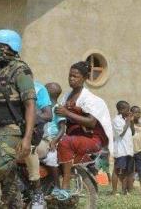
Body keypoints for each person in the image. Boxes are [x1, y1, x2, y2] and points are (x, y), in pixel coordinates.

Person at [0, 29, 37, 208]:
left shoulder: (20, 71)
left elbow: (30, 105)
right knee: (8, 183)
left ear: (11, 48)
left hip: (12, 131)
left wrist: (27, 138)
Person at [55, 61, 113, 202]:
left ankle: (66, 186)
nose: (71, 79)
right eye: (70, 75)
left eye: (75, 76)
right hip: (73, 138)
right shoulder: (66, 97)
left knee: (64, 142)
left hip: (93, 139)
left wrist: (66, 113)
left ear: (85, 78)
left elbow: (91, 122)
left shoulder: (91, 99)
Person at [23, 81, 52, 206]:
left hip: (40, 139)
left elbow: (48, 114)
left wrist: (29, 118)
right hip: (15, 136)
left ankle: (37, 192)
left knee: (28, 149)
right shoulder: (7, 89)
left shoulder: (38, 89)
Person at [40, 82, 66, 194]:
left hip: (54, 139)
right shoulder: (45, 108)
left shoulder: (57, 109)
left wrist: (54, 141)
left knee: (51, 158)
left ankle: (57, 186)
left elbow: (62, 128)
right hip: (44, 138)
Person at [111, 101, 134, 196]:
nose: (129, 111)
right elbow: (121, 133)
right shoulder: (116, 120)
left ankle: (124, 191)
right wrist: (128, 121)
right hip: (121, 150)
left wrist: (131, 122)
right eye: (127, 109)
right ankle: (114, 191)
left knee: (125, 171)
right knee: (117, 170)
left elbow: (132, 132)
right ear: (121, 110)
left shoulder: (126, 120)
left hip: (128, 150)